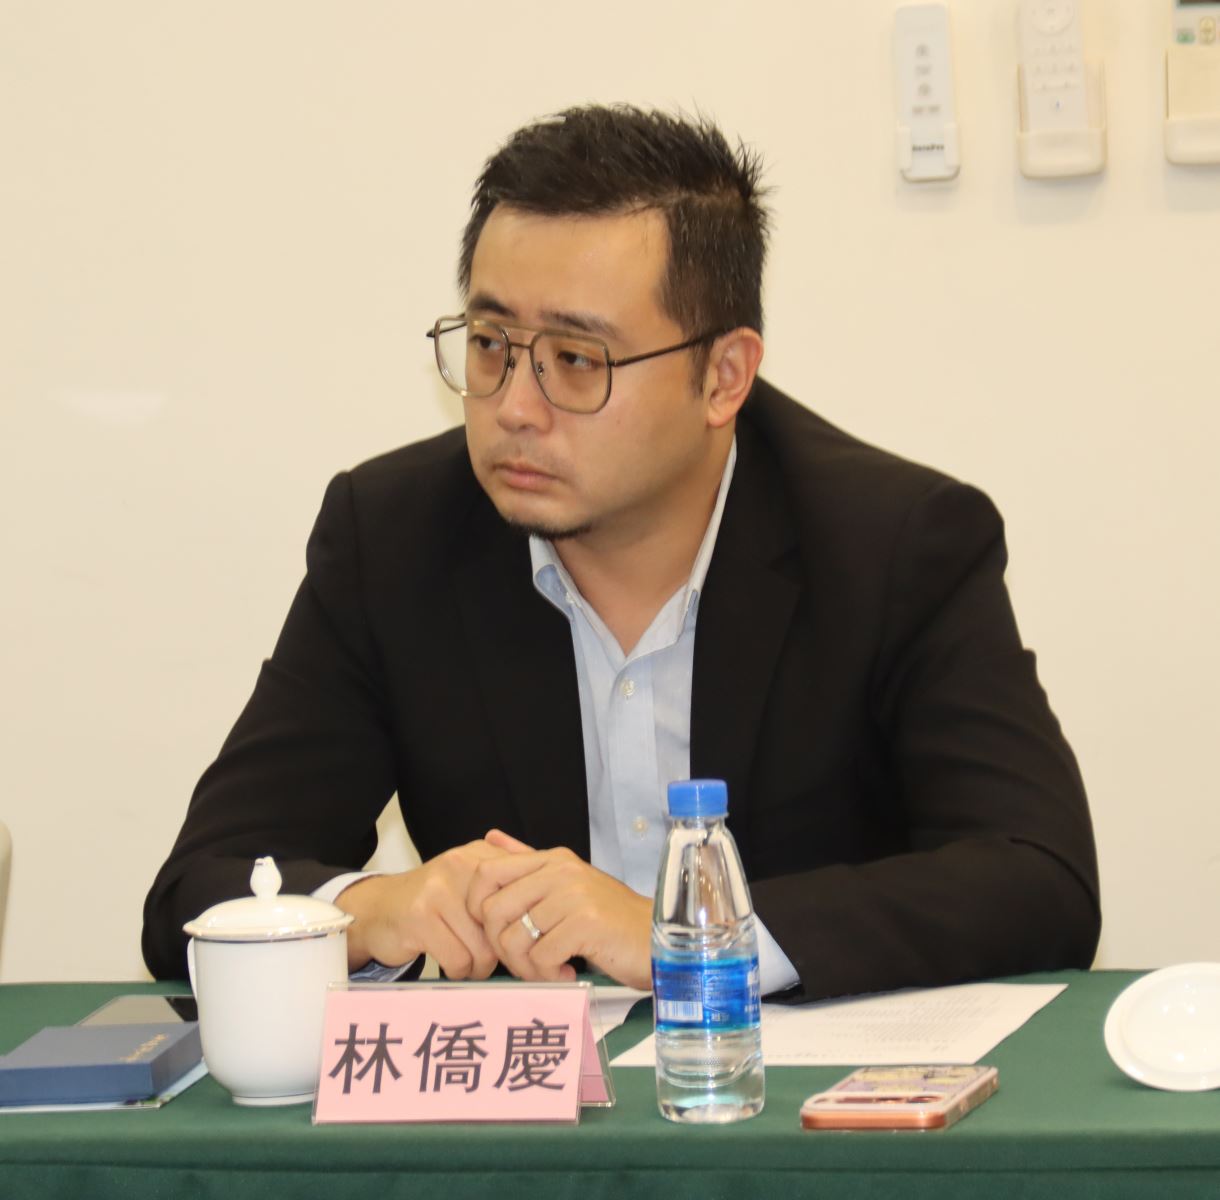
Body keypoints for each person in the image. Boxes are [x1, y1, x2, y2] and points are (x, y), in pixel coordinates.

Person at [142, 105, 1100, 999]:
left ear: (723, 376)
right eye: (490, 343)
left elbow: (1039, 880)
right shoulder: (392, 538)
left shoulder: (895, 544)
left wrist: (689, 934)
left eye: (575, 360)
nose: (515, 407)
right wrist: (369, 909)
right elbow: (200, 884)